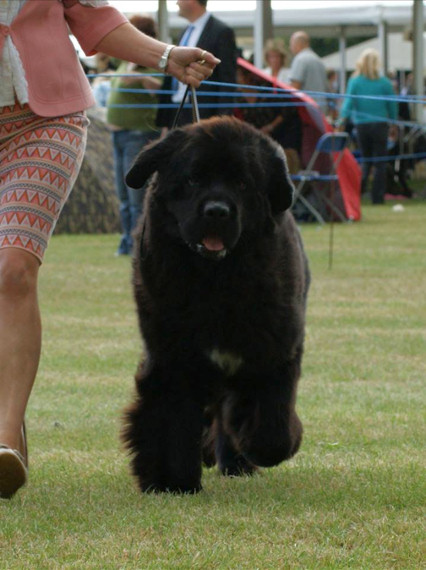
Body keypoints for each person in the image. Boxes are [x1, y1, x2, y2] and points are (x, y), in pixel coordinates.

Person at [0, 0, 218, 500]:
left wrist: (166, 56)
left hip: (45, 119)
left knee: (13, 269)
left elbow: (93, 16)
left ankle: (5, 440)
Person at [105, 14, 161, 256]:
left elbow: (159, 88)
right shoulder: (124, 61)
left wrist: (140, 78)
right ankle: (127, 241)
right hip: (117, 136)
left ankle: (140, 242)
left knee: (136, 195)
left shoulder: (150, 61)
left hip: (137, 135)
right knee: (123, 196)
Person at [156, 0, 237, 130]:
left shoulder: (221, 31)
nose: (176, 3)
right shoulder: (184, 32)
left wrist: (222, 121)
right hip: (176, 110)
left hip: (203, 115)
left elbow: (227, 78)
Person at [338, 48, 397, 204]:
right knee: (380, 163)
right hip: (380, 125)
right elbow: (392, 105)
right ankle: (377, 198)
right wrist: (394, 122)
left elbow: (348, 104)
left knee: (366, 161)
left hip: (362, 126)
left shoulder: (355, 81)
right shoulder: (384, 82)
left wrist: (340, 121)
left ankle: (359, 194)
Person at [288, 31, 328, 112]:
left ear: (297, 44)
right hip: (321, 108)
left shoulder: (300, 59)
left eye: (291, 44)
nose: (290, 48)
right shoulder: (318, 60)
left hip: (307, 109)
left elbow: (295, 86)